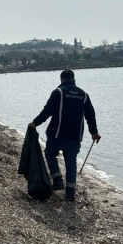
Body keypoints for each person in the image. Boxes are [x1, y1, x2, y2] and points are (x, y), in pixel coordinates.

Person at [28, 69, 101, 202]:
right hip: (75, 137)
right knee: (71, 162)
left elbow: (48, 111)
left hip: (57, 134)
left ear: (61, 79)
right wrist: (94, 133)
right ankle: (70, 193)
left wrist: (35, 123)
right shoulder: (83, 94)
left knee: (50, 154)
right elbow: (90, 115)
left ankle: (57, 179)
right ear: (74, 80)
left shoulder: (59, 92)